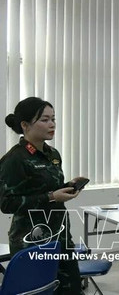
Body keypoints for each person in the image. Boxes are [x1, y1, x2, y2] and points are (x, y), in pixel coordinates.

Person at [1, 97, 84, 294]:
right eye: (44, 120)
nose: (52, 124)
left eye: (53, 119)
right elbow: (6, 203)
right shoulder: (14, 159)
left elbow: (47, 188)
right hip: (32, 242)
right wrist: (51, 196)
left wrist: (68, 187)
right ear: (25, 125)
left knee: (71, 289)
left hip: (61, 236)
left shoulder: (53, 154)